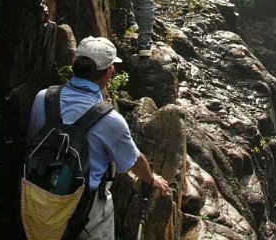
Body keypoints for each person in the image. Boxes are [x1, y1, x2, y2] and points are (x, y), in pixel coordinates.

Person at [28, 36, 170, 239]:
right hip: (85, 208)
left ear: (73, 65)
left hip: (38, 196)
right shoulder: (110, 120)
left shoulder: (43, 97)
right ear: (110, 73)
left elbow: (33, 140)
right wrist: (151, 179)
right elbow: (134, 161)